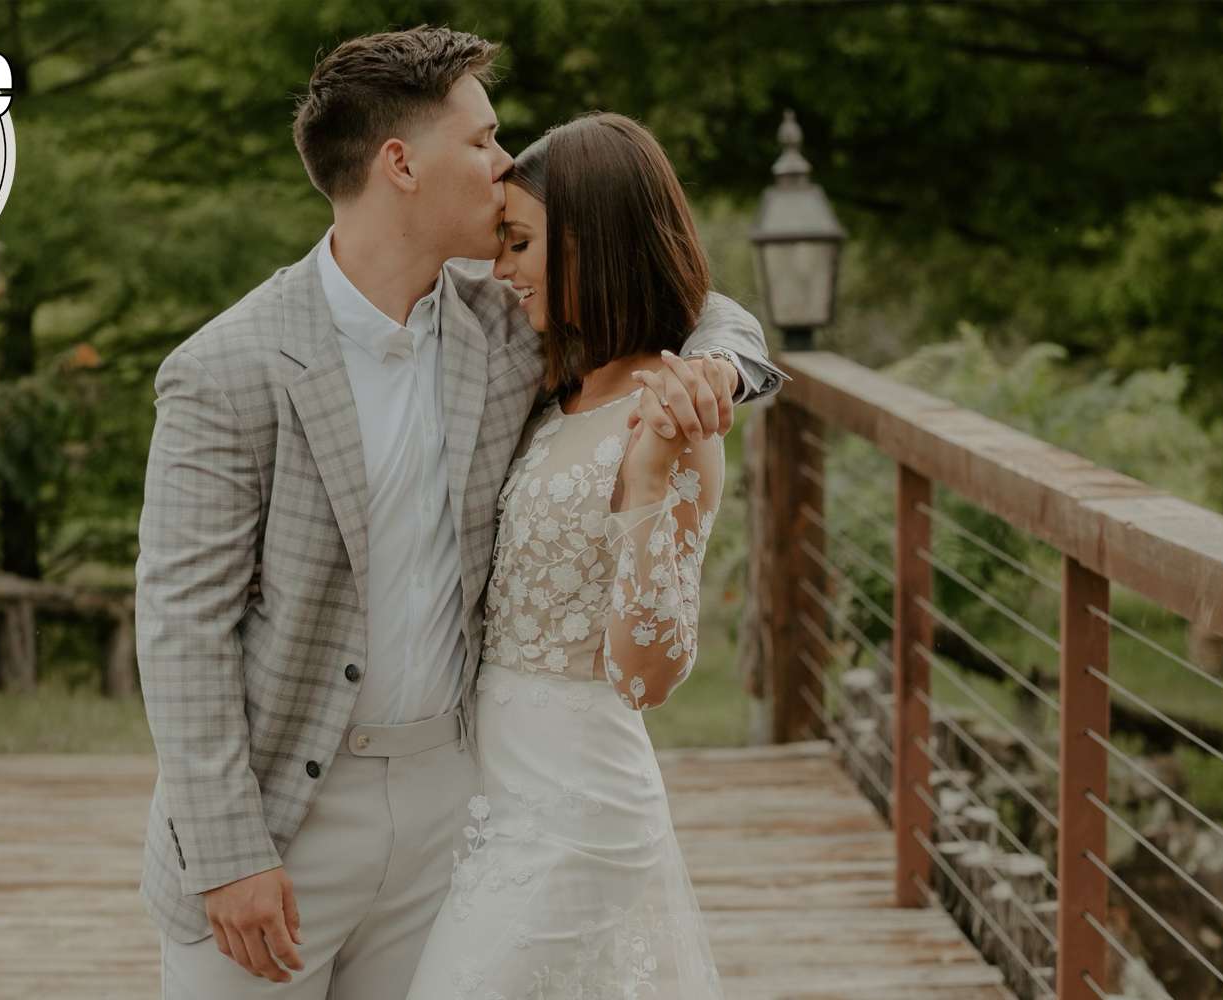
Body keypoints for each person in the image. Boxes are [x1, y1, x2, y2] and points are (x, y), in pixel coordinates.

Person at [134, 27, 788, 999]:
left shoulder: (506, 322)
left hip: (458, 811)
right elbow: (180, 627)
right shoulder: (226, 368)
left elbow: (669, 288)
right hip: (281, 819)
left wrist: (721, 368)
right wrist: (229, 851)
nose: (504, 162)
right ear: (400, 163)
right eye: (482, 141)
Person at [404, 110, 744, 998]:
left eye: (519, 243)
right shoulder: (560, 388)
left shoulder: (670, 413)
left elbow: (647, 677)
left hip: (581, 809)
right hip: (497, 802)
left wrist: (651, 471)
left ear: (593, 243)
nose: (500, 267)